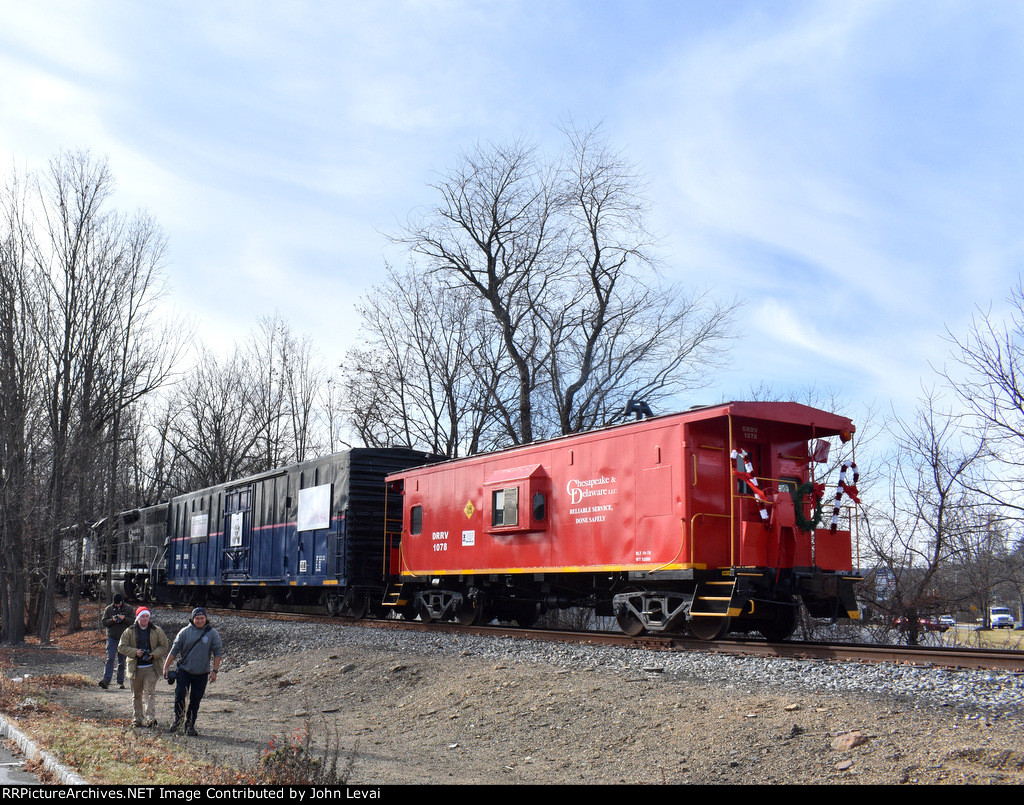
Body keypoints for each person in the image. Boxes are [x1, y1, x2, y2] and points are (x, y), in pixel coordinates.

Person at [163, 607, 223, 736]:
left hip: (202, 673)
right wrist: (166, 666)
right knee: (179, 696)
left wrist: (215, 671)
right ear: (192, 619)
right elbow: (175, 650)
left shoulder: (212, 633)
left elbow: (217, 652)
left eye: (202, 618)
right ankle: (177, 721)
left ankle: (190, 725)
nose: (200, 621)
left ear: (206, 618)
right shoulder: (184, 632)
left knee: (195, 700)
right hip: (184, 671)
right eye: (197, 618)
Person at [117, 607, 169, 728]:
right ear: (138, 618)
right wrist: (135, 652)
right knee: (136, 694)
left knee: (150, 693)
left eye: (147, 616)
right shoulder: (129, 631)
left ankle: (151, 718)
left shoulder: (157, 630)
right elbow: (121, 647)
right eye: (142, 616)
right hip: (135, 668)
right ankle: (137, 718)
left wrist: (153, 654)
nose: (145, 619)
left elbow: (164, 645)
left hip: (151, 667)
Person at [99, 594, 134, 689]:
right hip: (112, 637)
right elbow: (104, 622)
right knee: (110, 658)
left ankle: (120, 681)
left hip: (124, 638)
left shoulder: (128, 609)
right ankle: (106, 680)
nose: (118, 606)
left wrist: (124, 618)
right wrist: (112, 620)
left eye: (119, 604)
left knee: (122, 661)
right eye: (116, 604)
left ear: (122, 602)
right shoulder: (109, 609)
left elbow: (133, 621)